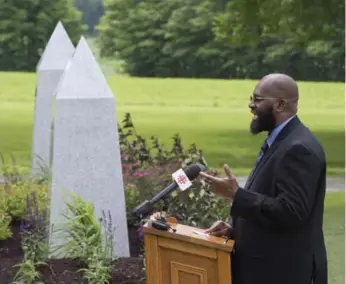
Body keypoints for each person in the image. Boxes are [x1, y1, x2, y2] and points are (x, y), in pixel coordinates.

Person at [200, 73, 328, 284]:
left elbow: (291, 212)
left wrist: (237, 195)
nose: (251, 105)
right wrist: (236, 232)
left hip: (283, 273)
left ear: (280, 104)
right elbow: (272, 204)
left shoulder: (298, 148)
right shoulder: (280, 141)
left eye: (257, 100)